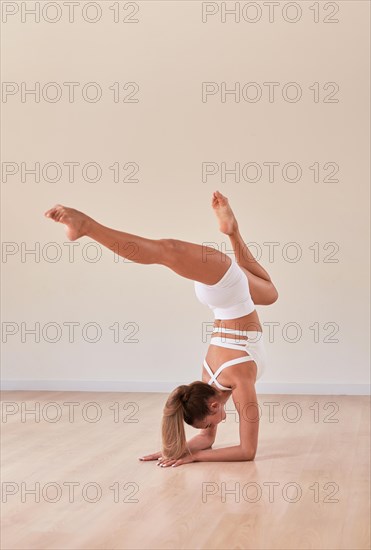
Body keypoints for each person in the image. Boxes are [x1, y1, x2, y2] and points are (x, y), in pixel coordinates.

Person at [44, 191, 278, 468]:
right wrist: (176, 450)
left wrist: (194, 455)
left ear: (213, 406)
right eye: (208, 424)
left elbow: (246, 451)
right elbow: (209, 440)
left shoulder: (231, 381)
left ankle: (87, 227)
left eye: (211, 422)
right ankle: (232, 231)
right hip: (229, 298)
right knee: (271, 293)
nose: (212, 427)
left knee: (166, 250)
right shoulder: (209, 384)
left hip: (226, 291)